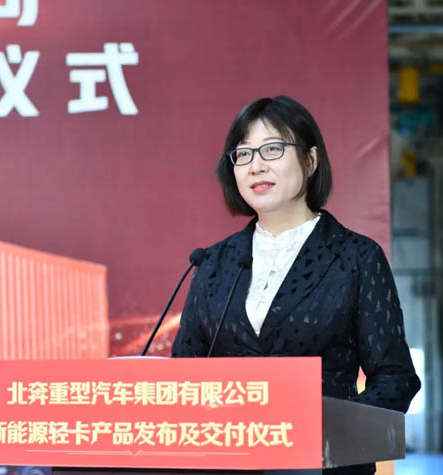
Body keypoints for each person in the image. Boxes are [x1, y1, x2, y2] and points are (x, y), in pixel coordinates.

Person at [171, 95, 420, 473]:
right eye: (243, 154)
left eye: (272, 149)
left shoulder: (356, 257)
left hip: (325, 466)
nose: (256, 166)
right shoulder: (213, 263)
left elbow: (395, 378)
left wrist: (328, 437)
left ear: (311, 160)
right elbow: (183, 377)